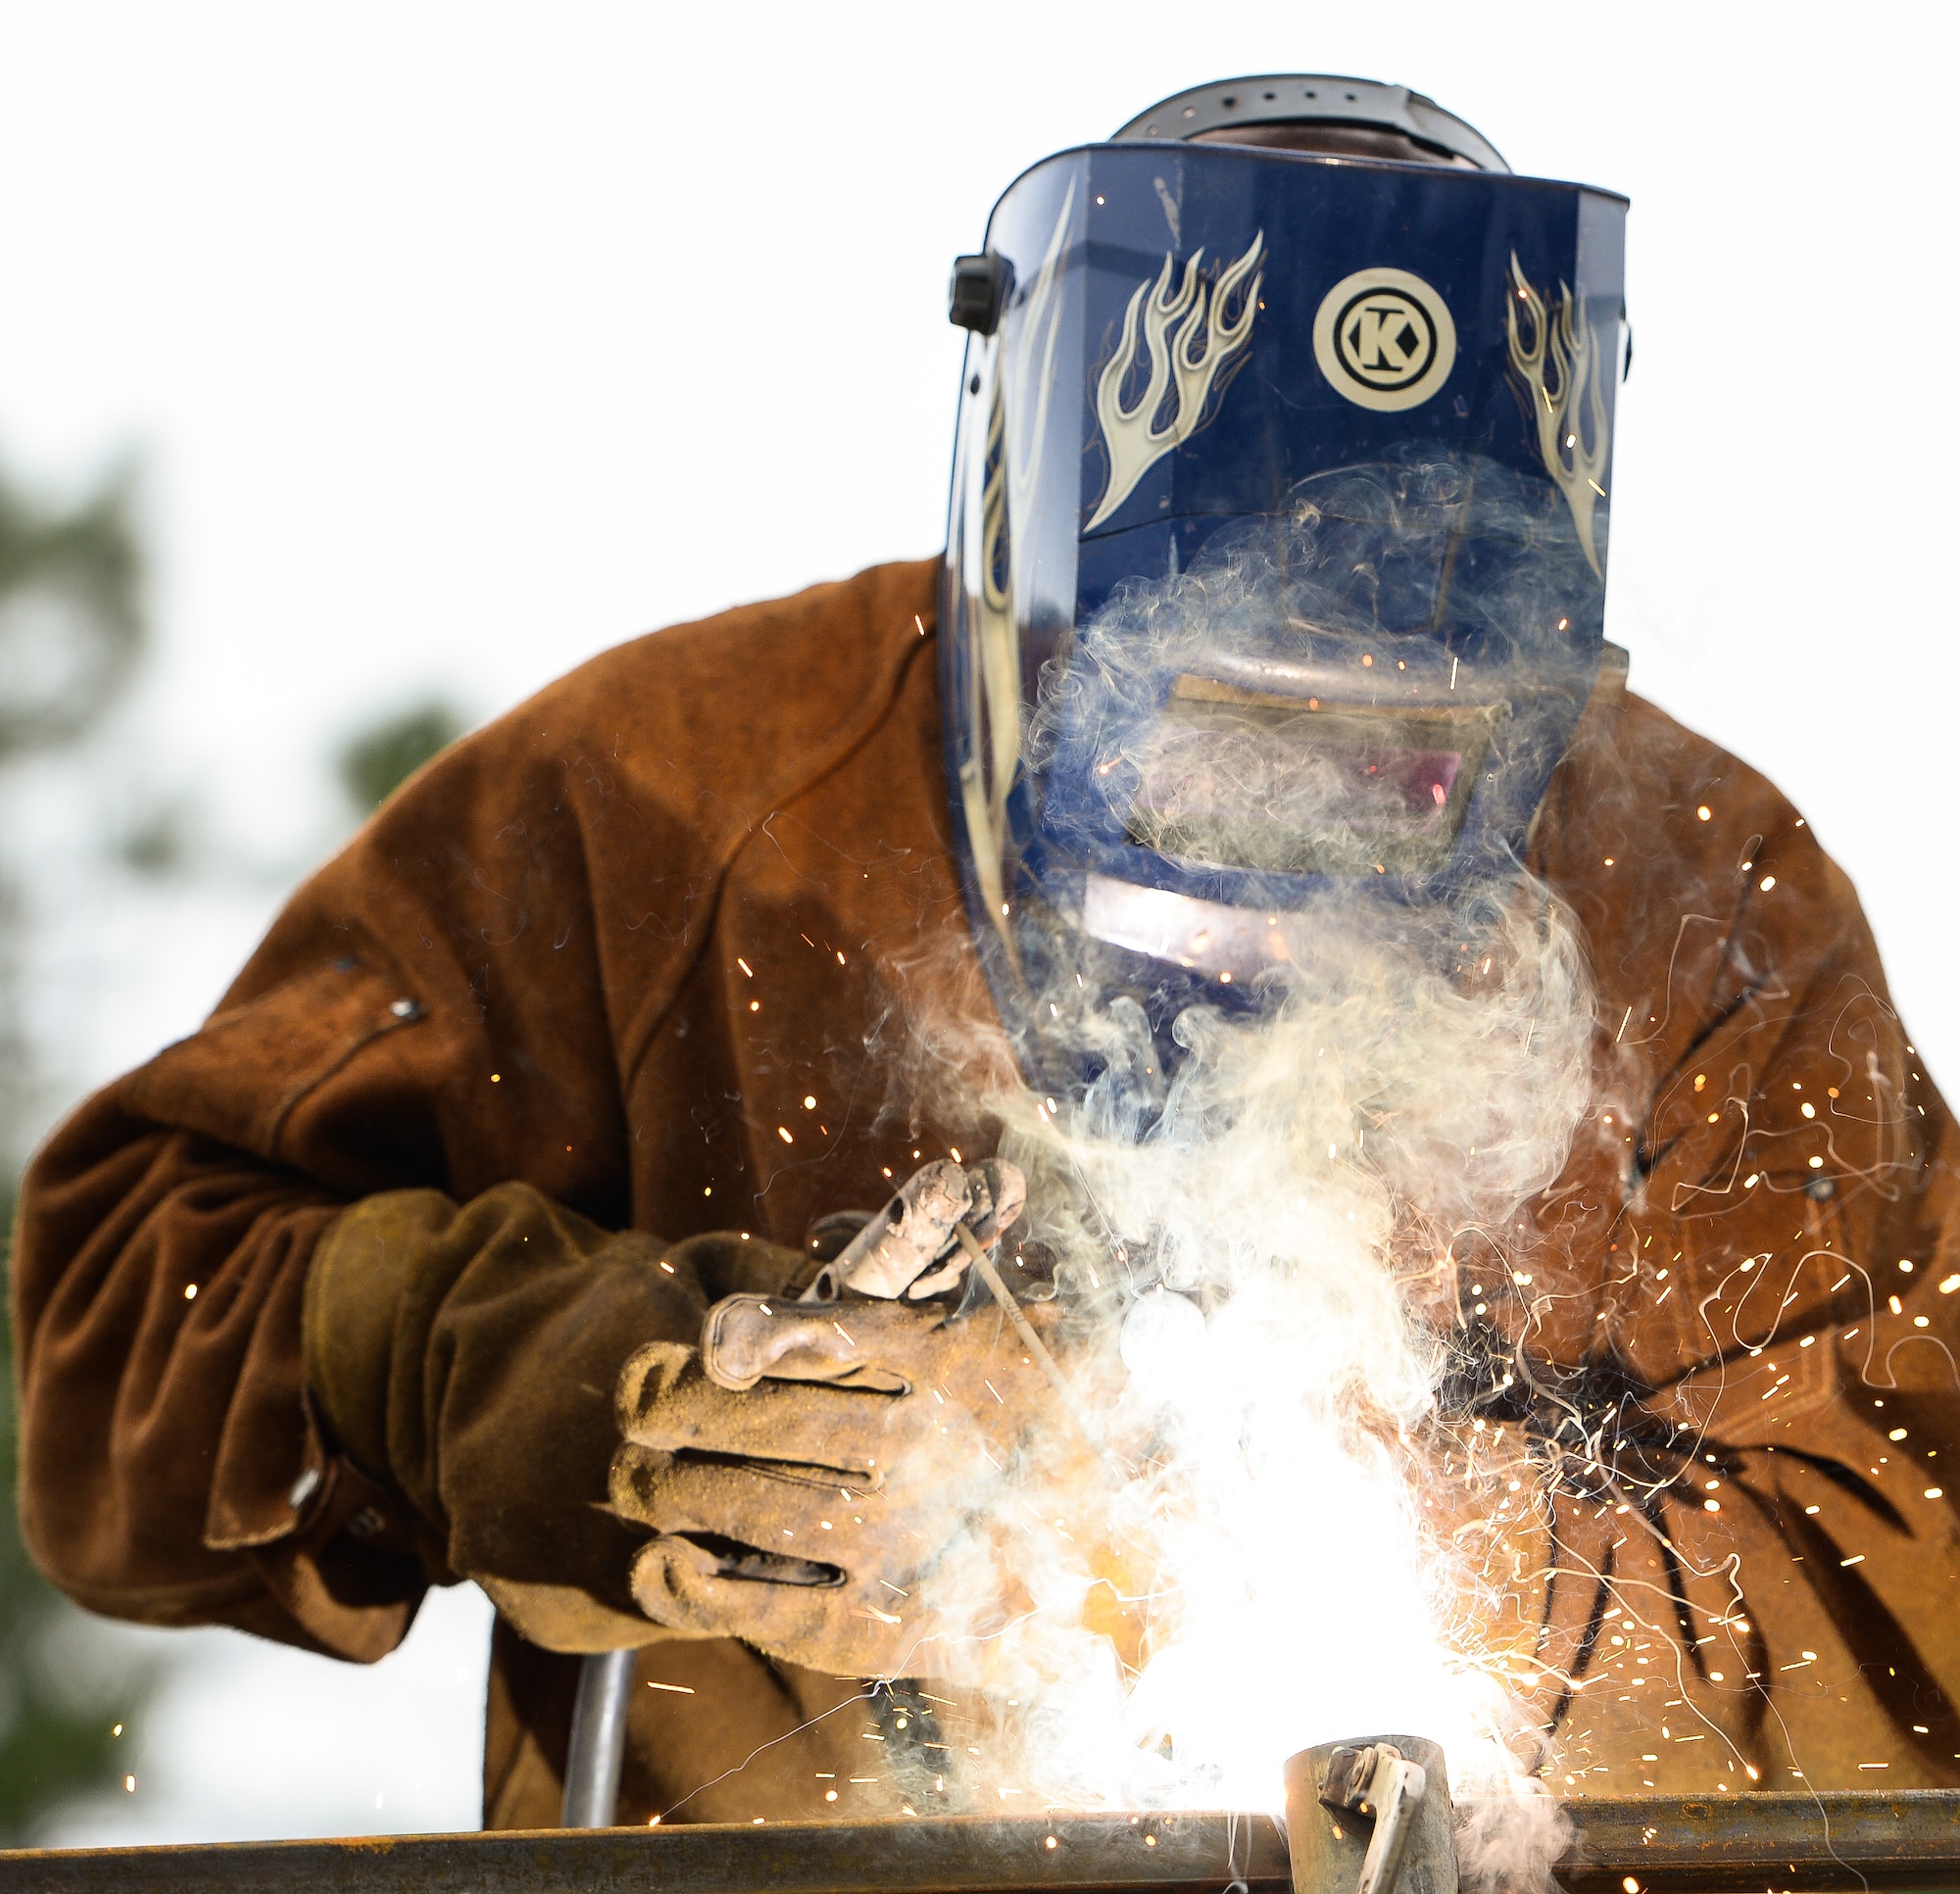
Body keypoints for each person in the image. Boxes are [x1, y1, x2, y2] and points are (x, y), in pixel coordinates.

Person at [13, 75, 1959, 1829]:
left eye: (1409, 755)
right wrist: (516, 1374)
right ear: (1026, 584)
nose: (1299, 820)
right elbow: (118, 1300)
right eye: (1215, 721)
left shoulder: (1703, 892)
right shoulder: (670, 798)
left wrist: (1195, 1540)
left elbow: (1909, 1593)